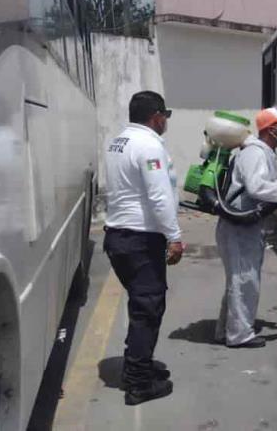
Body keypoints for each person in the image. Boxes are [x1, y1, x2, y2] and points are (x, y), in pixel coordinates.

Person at [104, 91, 184, 406]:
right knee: (147, 309)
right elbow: (159, 195)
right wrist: (174, 236)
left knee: (142, 305)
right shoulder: (150, 145)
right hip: (140, 239)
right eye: (165, 116)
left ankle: (140, 366)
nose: (165, 122)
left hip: (118, 236)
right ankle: (138, 383)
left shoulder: (118, 141)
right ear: (156, 117)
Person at [215, 107, 277, 348]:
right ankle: (239, 335)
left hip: (244, 225)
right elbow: (257, 188)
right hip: (238, 227)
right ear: (270, 130)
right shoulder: (255, 153)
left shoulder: (265, 152)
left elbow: (268, 186)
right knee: (244, 280)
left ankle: (226, 330)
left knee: (239, 279)